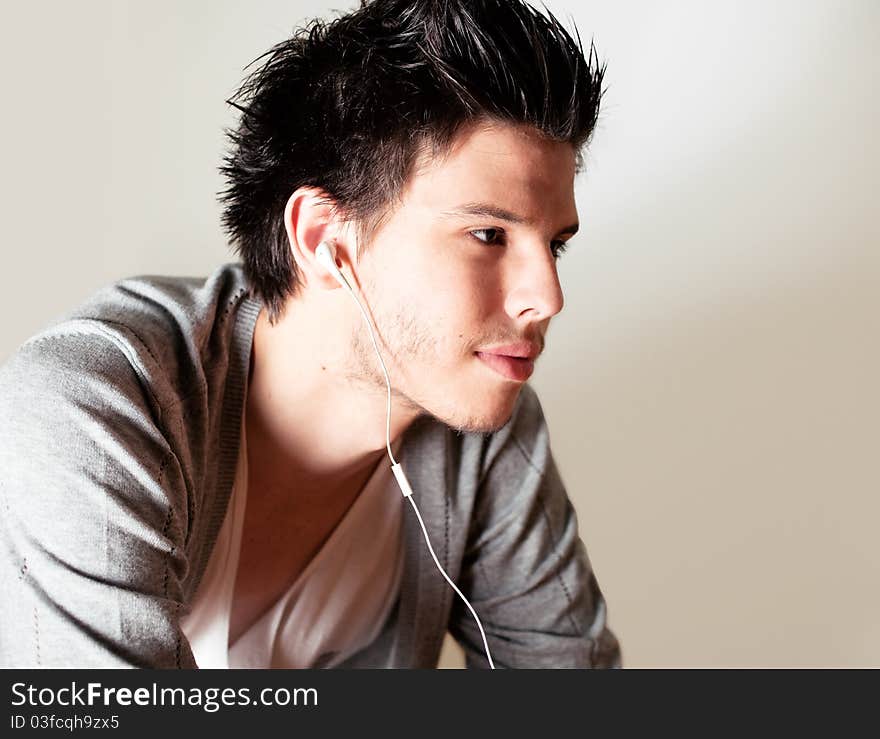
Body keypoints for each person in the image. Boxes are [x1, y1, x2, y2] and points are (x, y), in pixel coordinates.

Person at [0, 0, 620, 668]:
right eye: (488, 234)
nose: (547, 297)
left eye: (553, 245)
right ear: (325, 240)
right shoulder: (91, 405)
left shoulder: (486, 432)